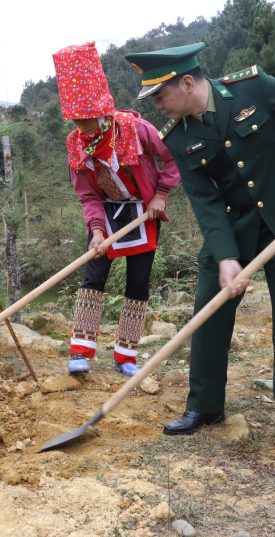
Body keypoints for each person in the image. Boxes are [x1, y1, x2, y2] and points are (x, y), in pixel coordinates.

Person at [132, 41, 275, 465]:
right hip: (233, 226)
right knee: (208, 311)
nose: (157, 105)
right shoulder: (178, 136)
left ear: (188, 82)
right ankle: (206, 405)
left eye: (160, 95)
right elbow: (204, 199)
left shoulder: (252, 88)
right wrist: (226, 256)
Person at [52, 42, 180, 377]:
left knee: (138, 281)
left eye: (88, 120)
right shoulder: (76, 144)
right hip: (107, 212)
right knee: (93, 275)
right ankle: (81, 352)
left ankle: (126, 355)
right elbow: (87, 195)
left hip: (143, 209)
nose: (83, 128)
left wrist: (161, 194)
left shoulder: (135, 129)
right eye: (77, 121)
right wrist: (96, 230)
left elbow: (171, 157)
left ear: (103, 110)